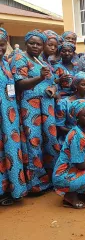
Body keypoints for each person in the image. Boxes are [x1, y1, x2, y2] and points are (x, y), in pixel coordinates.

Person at [12, 30, 60, 193]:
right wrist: (39, 78)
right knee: (34, 141)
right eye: (32, 43)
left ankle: (53, 177)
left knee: (50, 139)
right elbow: (19, 84)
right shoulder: (20, 58)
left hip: (46, 105)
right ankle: (36, 183)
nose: (35, 46)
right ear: (26, 43)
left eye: (39, 44)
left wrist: (53, 88)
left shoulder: (40, 61)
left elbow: (51, 81)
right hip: (30, 107)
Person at [0, 28, 27, 205]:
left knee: (9, 151)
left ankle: (10, 189)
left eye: (1, 44)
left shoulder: (5, 63)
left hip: (9, 118)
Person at [56, 72, 85, 144]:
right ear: (76, 85)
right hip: (71, 134)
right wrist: (77, 132)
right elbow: (60, 126)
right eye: (83, 84)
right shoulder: (64, 103)